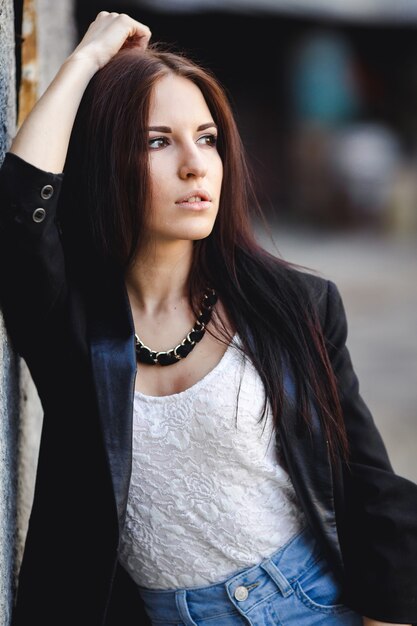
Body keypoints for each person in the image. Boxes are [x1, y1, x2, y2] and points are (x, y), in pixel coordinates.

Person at [0, 10, 416, 626]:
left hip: (311, 605)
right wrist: (84, 61)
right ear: (104, 162)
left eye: (208, 138)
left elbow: (366, 486)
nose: (196, 166)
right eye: (157, 141)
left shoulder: (291, 306)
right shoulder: (72, 323)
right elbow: (17, 218)